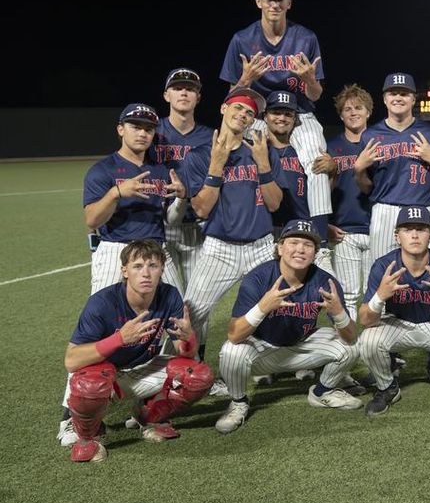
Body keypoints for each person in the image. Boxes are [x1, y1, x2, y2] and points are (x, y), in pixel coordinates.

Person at [62, 240, 213, 462]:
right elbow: (71, 360)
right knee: (89, 383)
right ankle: (87, 438)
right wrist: (120, 338)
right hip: (107, 376)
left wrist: (188, 337)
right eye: (138, 266)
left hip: (144, 368)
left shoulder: (169, 295)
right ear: (124, 271)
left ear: (162, 269)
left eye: (152, 266)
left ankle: (148, 415)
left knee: (199, 376)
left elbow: (186, 353)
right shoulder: (102, 303)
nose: (146, 273)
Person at [214, 219, 363, 434]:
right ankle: (238, 402)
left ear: (315, 252)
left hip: (301, 348)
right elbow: (235, 334)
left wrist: (339, 313)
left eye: (308, 245)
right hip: (261, 350)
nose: (300, 250)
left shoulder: (325, 281)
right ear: (280, 247)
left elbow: (350, 337)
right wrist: (263, 307)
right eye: (293, 242)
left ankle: (322, 392)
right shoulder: (258, 278)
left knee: (352, 346)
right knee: (230, 352)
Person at [180, 86, 281, 379]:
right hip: (219, 248)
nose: (243, 114)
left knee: (270, 311)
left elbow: (274, 203)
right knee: (193, 313)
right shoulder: (199, 155)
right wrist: (215, 167)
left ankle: (267, 366)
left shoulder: (262, 151)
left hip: (261, 246)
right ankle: (190, 373)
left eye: (249, 112)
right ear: (224, 109)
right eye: (238, 108)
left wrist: (263, 164)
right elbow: (200, 209)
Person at [220, 0, 331, 237]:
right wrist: (245, 79)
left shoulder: (306, 38)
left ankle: (320, 239)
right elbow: (230, 99)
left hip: (300, 113)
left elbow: (315, 95)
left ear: (289, 3)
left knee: (317, 164)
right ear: (258, 1)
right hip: (257, 115)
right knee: (238, 163)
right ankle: (246, 233)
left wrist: (309, 80)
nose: (275, 4)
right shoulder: (242, 40)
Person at [356, 205, 430, 415]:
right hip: (397, 324)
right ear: (397, 236)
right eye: (408, 229)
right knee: (368, 341)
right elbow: (365, 320)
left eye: (421, 229)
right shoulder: (384, 266)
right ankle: (387, 387)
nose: (415, 235)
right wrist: (380, 296)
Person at [83, 103, 184, 293]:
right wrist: (116, 193)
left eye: (148, 129)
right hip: (116, 249)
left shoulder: (162, 170)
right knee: (104, 315)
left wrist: (181, 199)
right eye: (136, 127)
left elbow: (170, 219)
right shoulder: (102, 170)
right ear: (121, 129)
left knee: (176, 314)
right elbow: (92, 220)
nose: (142, 134)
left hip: (156, 249)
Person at [354, 73, 430, 260]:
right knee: (384, 272)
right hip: (385, 210)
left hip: (423, 209)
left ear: (413, 99)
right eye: (393, 93)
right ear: (384, 99)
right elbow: (367, 188)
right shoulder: (370, 136)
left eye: (404, 94)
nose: (398, 98)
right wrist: (358, 169)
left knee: (428, 274)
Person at [313, 84, 377, 313]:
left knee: (377, 293)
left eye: (358, 107)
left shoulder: (380, 143)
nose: (353, 113)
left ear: (368, 111)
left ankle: (376, 347)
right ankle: (348, 346)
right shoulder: (331, 147)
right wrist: (324, 224)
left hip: (377, 229)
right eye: (347, 109)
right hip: (343, 232)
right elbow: (319, 193)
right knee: (347, 294)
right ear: (341, 115)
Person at [152, 67, 214, 289]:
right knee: (169, 298)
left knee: (197, 301)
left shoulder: (210, 137)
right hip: (157, 226)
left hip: (196, 227)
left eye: (190, 89)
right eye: (177, 88)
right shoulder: (151, 132)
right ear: (167, 96)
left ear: (198, 97)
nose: (184, 93)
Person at [264, 90, 332, 270]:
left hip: (302, 230)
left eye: (288, 114)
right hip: (266, 233)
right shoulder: (257, 151)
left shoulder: (304, 153)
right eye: (276, 112)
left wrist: (333, 170)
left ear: (295, 119)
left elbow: (325, 191)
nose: (282, 118)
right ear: (265, 116)